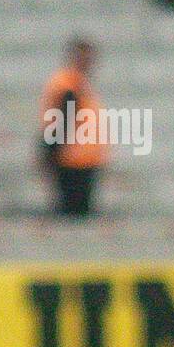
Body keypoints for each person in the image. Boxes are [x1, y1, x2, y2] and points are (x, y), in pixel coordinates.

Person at [38, 38, 108, 217]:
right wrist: (51, 152)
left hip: (84, 158)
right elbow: (62, 119)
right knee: (73, 214)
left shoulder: (78, 82)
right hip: (72, 160)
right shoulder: (68, 84)